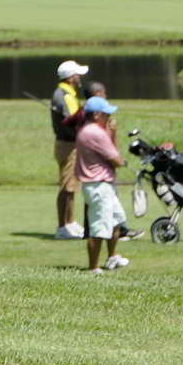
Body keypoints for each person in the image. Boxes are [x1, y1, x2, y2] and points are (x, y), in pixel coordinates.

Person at [74, 95, 131, 273]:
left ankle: (112, 257)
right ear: (96, 115)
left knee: (116, 220)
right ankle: (93, 267)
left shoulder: (89, 130)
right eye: (106, 114)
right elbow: (116, 159)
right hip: (98, 186)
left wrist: (111, 133)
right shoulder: (96, 133)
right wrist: (112, 134)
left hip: (102, 185)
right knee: (99, 228)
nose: (109, 117)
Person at [49, 59, 87, 239]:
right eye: (77, 74)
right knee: (67, 186)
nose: (79, 77)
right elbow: (73, 122)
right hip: (68, 145)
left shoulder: (66, 93)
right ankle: (62, 227)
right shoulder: (65, 96)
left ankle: (70, 222)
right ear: (71, 77)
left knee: (71, 185)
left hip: (68, 144)